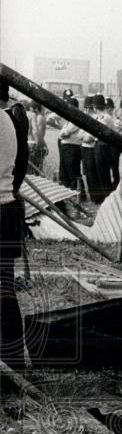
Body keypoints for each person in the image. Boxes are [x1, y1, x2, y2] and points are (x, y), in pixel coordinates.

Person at [0, 79, 28, 369]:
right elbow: (20, 167)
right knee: (5, 294)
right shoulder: (10, 121)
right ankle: (14, 363)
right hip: (6, 209)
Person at [89, 95, 115, 202]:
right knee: (99, 172)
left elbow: (98, 131)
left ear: (95, 107)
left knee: (104, 174)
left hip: (104, 147)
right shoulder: (100, 117)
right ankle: (103, 198)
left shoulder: (106, 118)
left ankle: (108, 199)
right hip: (98, 146)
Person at [57, 97, 84, 194]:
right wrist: (63, 133)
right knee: (66, 170)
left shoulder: (76, 118)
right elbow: (61, 133)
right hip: (67, 146)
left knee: (73, 171)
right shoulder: (70, 119)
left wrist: (63, 133)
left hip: (72, 147)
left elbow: (65, 133)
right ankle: (70, 191)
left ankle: (78, 192)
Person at [79, 96, 99, 202]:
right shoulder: (84, 118)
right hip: (84, 146)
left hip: (91, 147)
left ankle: (95, 197)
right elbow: (80, 133)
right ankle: (92, 195)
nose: (87, 110)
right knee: (87, 172)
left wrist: (88, 137)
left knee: (93, 172)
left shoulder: (96, 117)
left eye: (89, 108)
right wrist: (84, 137)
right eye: (86, 108)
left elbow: (93, 134)